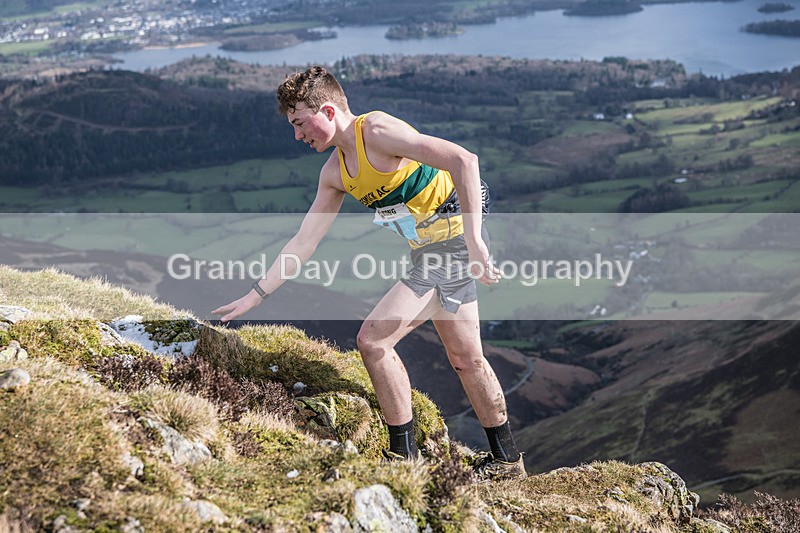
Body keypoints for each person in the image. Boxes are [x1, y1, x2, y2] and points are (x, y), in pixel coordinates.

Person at [212, 66, 526, 480]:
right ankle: (508, 460)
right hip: (429, 251)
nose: (297, 136)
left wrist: (475, 241)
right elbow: (303, 242)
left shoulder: (375, 131)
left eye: (300, 123)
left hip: (451, 247)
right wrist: (256, 295)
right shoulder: (335, 173)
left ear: (327, 110)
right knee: (467, 359)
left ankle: (403, 458)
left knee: (373, 340)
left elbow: (464, 161)